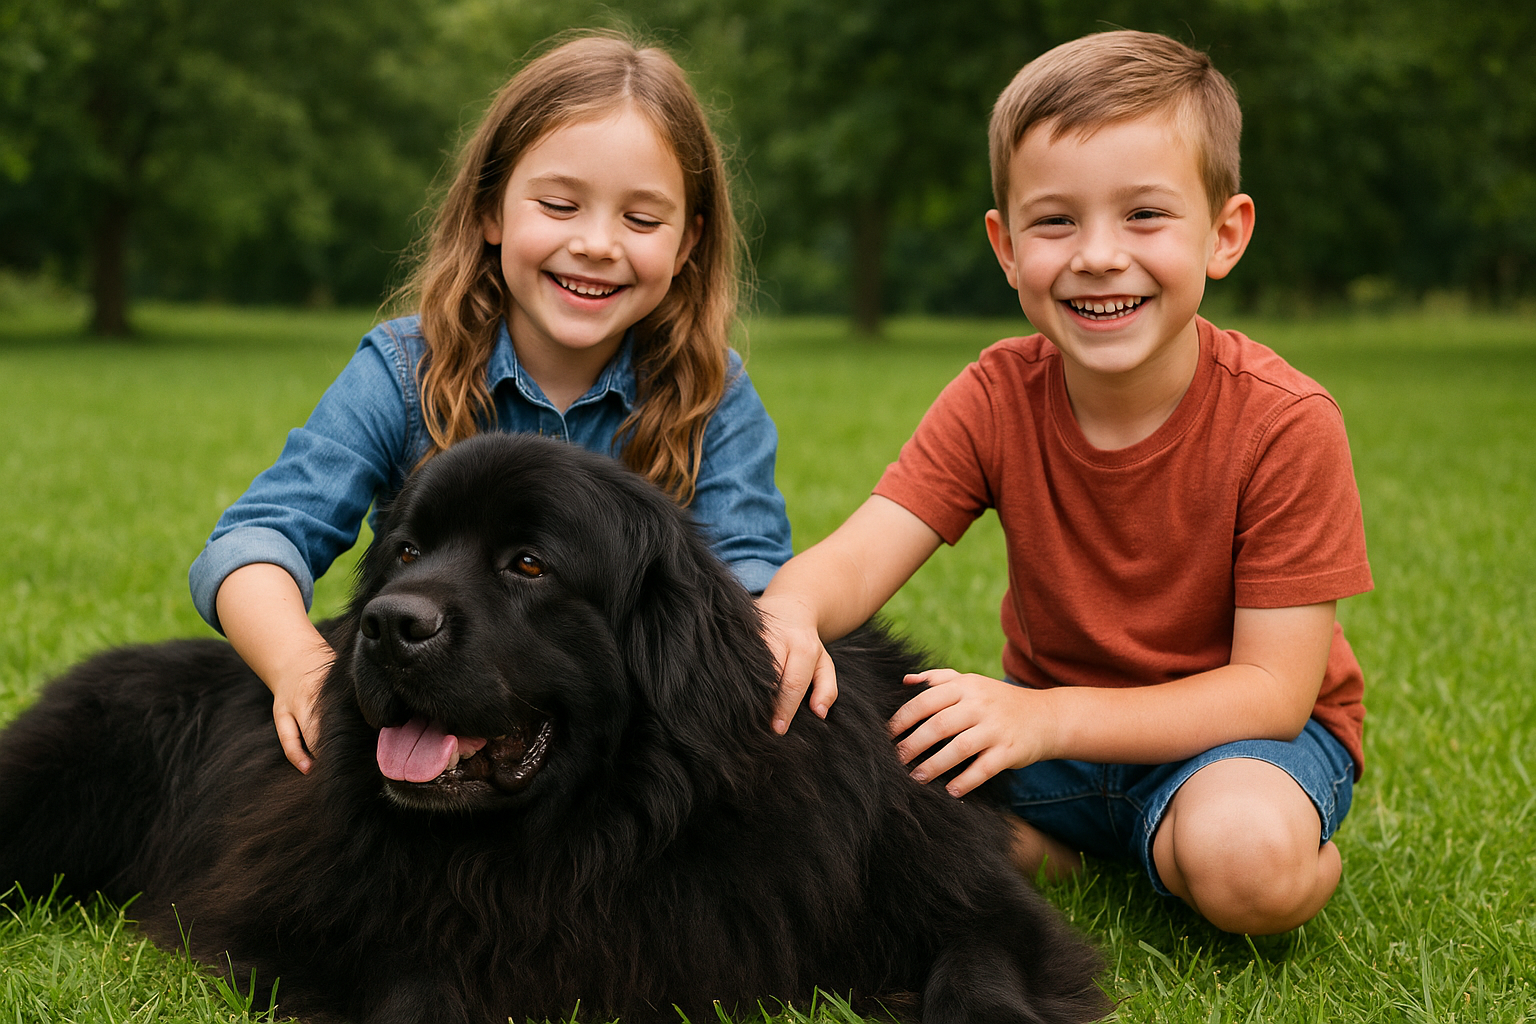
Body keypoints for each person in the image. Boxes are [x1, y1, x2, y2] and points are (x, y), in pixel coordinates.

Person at [759, 30, 1371, 936]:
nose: (1097, 255)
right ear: (1007, 249)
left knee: (1240, 859)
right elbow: (858, 556)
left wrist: (1044, 722)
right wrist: (789, 611)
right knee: (840, 786)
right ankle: (1095, 852)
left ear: (1225, 234)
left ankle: (1260, 854)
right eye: (1056, 221)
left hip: (1235, 747)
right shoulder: (997, 394)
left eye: (1145, 216)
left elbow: (1271, 693)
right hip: (1052, 758)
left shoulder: (1284, 422)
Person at [191, 34, 791, 776]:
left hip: (585, 770)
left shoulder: (712, 395)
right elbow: (254, 543)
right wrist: (301, 669)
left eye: (641, 221)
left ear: (689, 242)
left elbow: (746, 603)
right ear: (490, 211)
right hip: (421, 684)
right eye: (560, 204)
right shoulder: (405, 370)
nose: (598, 244)